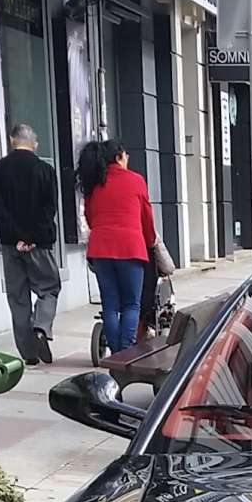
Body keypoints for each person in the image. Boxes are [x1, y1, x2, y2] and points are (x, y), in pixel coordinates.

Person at [0, 123, 60, 365]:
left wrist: (16, 237)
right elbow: (48, 210)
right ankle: (41, 328)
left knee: (17, 298)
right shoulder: (46, 171)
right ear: (35, 145)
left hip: (9, 245)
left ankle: (29, 354)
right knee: (48, 288)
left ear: (11, 140)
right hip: (39, 244)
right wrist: (32, 238)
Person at [77, 139, 156, 353]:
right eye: (126, 154)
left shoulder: (94, 184)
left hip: (101, 250)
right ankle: (126, 351)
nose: (128, 158)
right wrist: (150, 241)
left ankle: (115, 352)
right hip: (130, 248)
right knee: (132, 304)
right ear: (119, 156)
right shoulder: (136, 180)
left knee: (110, 305)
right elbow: (146, 217)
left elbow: (90, 217)